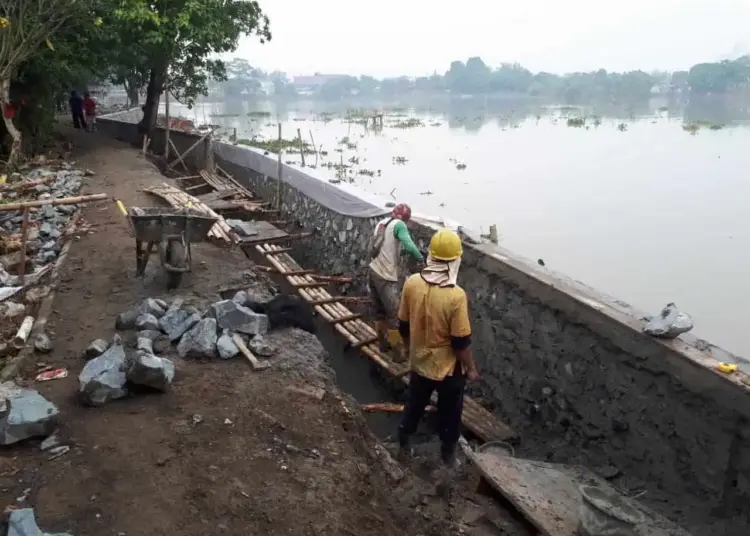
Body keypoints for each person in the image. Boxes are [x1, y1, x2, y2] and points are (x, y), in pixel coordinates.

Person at [396, 228, 480, 467]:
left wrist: (407, 348)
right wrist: (471, 369)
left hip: (419, 361)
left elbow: (403, 323)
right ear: (455, 260)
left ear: (431, 256)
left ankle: (403, 445)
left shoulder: (412, 283)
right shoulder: (455, 296)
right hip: (448, 369)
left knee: (414, 404)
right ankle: (447, 456)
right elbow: (460, 342)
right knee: (450, 413)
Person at [368, 203, 424, 361]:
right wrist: (421, 259)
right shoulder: (400, 225)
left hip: (373, 271)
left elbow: (389, 246)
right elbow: (410, 246)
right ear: (406, 219)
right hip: (385, 276)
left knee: (379, 311)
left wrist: (403, 251)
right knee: (394, 315)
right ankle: (398, 355)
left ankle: (382, 344)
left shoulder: (382, 223)